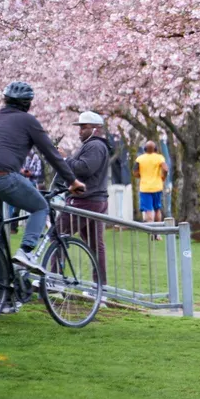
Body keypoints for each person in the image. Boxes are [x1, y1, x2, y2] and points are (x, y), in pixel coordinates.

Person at [0, 82, 85, 299]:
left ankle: (4, 298)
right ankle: (26, 252)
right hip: (2, 177)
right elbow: (50, 152)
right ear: (28, 104)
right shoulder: (28, 121)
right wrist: (72, 181)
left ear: (5, 100)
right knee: (40, 206)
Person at [58, 111, 111, 284]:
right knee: (96, 246)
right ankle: (100, 288)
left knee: (58, 235)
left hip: (86, 200)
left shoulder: (95, 146)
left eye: (83, 127)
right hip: (93, 200)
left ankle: (54, 279)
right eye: (79, 127)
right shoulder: (94, 146)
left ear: (95, 128)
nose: (79, 131)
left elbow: (85, 168)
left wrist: (65, 158)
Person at [134, 141, 169, 223]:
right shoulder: (160, 158)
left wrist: (140, 175)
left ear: (145, 149)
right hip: (157, 187)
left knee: (148, 210)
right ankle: (158, 233)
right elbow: (166, 169)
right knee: (157, 209)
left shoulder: (139, 159)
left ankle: (152, 232)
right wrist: (163, 177)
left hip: (145, 188)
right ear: (155, 149)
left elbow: (135, 172)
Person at [9, 151, 43, 234]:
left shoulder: (37, 158)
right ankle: (13, 227)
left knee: (35, 207)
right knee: (16, 207)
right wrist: (22, 171)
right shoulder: (22, 157)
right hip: (21, 182)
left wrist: (30, 173)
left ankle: (34, 228)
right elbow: (17, 169)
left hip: (32, 183)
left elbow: (39, 172)